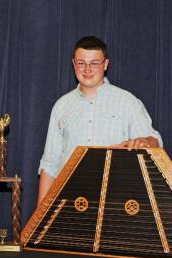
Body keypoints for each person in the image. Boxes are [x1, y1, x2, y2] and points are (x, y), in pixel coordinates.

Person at [37, 36, 162, 205]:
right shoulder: (61, 106)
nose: (87, 69)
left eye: (94, 63)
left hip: (116, 200)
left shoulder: (128, 102)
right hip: (70, 202)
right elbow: (50, 164)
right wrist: (40, 217)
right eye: (81, 63)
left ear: (106, 64)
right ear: (73, 64)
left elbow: (155, 142)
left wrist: (144, 141)